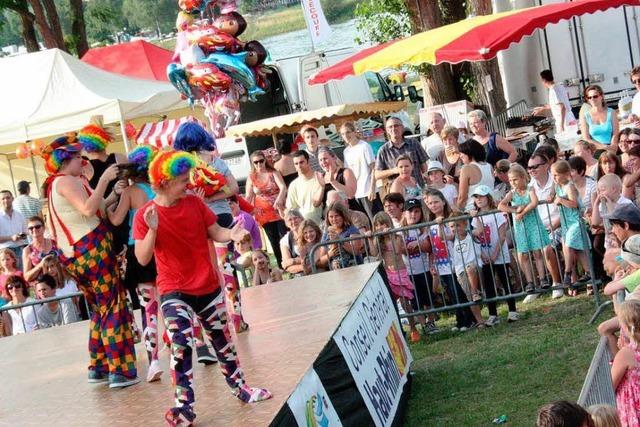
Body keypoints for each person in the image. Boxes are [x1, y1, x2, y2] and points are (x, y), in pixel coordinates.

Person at [133, 149, 272, 425]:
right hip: (174, 291)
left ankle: (241, 389)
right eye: (183, 180)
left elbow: (216, 232)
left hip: (207, 287)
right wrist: (152, 229)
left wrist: (231, 233)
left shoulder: (195, 205)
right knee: (181, 344)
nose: (189, 184)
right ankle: (183, 408)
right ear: (164, 183)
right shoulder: (145, 215)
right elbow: (142, 257)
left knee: (224, 344)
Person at [42, 135, 139, 388]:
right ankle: (120, 370)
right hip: (92, 250)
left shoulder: (62, 183)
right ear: (65, 160)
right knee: (113, 306)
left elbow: (92, 210)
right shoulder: (65, 181)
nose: (82, 160)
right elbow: (87, 210)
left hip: (76, 254)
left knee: (99, 309)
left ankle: (99, 366)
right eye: (77, 157)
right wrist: (105, 179)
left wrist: (112, 196)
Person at [106, 145, 163, 383]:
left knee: (148, 308)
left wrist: (110, 205)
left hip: (137, 248)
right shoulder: (158, 190)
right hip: (161, 247)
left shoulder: (130, 192)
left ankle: (154, 361)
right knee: (169, 302)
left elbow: (117, 219)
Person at [423, 188, 476, 331]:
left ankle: (469, 319)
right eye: (430, 203)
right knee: (451, 293)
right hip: (441, 263)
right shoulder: (429, 222)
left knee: (459, 290)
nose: (433, 205)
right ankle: (460, 320)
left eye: (436, 202)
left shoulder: (450, 218)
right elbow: (432, 245)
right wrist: (432, 263)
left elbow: (451, 237)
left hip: (454, 260)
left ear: (443, 202)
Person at [470, 185, 518, 324]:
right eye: (476, 197)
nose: (478, 199)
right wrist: (483, 256)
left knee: (505, 280)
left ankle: (512, 310)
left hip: (499, 254)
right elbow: (477, 234)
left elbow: (502, 236)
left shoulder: (498, 214)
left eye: (481, 196)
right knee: (489, 284)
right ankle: (492, 314)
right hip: (485, 256)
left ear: (488, 197)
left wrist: (495, 254)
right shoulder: (476, 217)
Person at [498, 164, 550, 293]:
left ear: (522, 177)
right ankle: (530, 282)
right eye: (510, 180)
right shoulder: (512, 193)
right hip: (521, 227)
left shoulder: (530, 189)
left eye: (515, 179)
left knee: (537, 252)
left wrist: (523, 212)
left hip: (533, 223)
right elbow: (501, 206)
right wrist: (515, 210)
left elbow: (534, 202)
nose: (513, 183)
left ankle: (542, 278)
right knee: (524, 254)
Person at [369, 211, 420, 342]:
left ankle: (413, 328)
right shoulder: (377, 240)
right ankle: (398, 333)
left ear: (389, 224)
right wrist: (369, 239)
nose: (380, 227)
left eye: (383, 224)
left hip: (399, 272)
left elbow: (398, 250)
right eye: (377, 225)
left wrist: (390, 234)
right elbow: (374, 253)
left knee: (405, 301)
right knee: (392, 304)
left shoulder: (396, 237)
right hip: (388, 273)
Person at [550, 160, 591, 292]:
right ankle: (589, 272)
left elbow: (574, 204)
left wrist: (561, 200)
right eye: (553, 175)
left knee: (567, 244)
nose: (554, 178)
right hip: (566, 222)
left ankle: (567, 273)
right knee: (579, 250)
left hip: (575, 221)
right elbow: (551, 197)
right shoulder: (558, 187)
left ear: (566, 174)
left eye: (556, 175)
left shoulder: (570, 186)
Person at [528, 151, 563, 298]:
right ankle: (536, 287)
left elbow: (567, 206)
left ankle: (557, 283)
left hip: (560, 224)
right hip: (539, 227)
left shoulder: (557, 182)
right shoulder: (529, 187)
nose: (532, 170)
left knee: (546, 248)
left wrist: (555, 224)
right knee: (522, 251)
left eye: (535, 166)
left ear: (546, 166)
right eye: (529, 168)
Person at [401, 198, 437, 334]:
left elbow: (429, 247)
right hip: (409, 272)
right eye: (410, 212)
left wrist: (418, 245)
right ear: (404, 213)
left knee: (428, 298)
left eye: (416, 211)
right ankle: (423, 324)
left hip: (424, 268)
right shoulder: (400, 232)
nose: (413, 215)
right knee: (416, 301)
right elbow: (401, 249)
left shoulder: (424, 229)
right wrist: (412, 246)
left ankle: (431, 322)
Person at [245, 150, 286, 265]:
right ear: (252, 163)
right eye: (256, 162)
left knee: (284, 235)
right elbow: (249, 196)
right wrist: (247, 212)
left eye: (261, 161)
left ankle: (289, 259)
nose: (259, 164)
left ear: (265, 160)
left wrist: (279, 199)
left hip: (278, 209)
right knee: (273, 239)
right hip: (263, 213)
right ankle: (280, 263)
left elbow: (283, 187)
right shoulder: (251, 177)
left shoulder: (273, 172)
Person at [375, 116, 428, 194]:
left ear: (402, 128)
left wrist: (427, 180)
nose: (393, 129)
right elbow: (377, 175)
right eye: (390, 127)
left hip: (417, 188)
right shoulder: (383, 150)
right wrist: (393, 170)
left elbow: (424, 166)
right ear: (387, 130)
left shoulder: (414, 143)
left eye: (396, 125)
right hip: (398, 192)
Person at [340, 121, 382, 220]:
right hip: (356, 193)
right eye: (343, 134)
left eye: (348, 132)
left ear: (354, 132)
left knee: (375, 220)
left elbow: (373, 168)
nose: (346, 135)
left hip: (368, 191)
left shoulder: (364, 146)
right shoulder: (346, 151)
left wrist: (372, 189)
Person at [449, 215, 485, 326]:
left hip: (474, 266)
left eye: (458, 225)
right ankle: (480, 321)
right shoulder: (453, 238)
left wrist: (476, 217)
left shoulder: (470, 234)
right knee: (470, 298)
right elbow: (442, 236)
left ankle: (475, 292)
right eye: (452, 226)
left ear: (465, 224)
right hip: (460, 271)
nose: (455, 228)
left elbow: (480, 231)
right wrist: (440, 224)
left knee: (470, 268)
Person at [612, 300, 640, 427]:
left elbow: (610, 385)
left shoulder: (626, 353)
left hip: (633, 407)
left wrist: (620, 353)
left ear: (625, 326)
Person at [320, 203, 363, 269]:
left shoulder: (352, 229)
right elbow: (321, 261)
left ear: (343, 216)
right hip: (336, 273)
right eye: (331, 217)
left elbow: (356, 251)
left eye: (337, 216)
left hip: (354, 268)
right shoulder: (326, 234)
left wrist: (339, 240)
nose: (334, 219)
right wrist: (330, 254)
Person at [286, 150, 323, 225]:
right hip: (304, 228)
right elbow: (291, 209)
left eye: (301, 162)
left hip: (321, 223)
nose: (299, 166)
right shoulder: (293, 185)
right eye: (296, 164)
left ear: (308, 162)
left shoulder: (320, 177)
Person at [533, 69, 576, 133]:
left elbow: (562, 107)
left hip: (564, 121)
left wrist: (561, 125)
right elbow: (560, 102)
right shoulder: (560, 86)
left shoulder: (553, 89)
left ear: (544, 80)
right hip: (569, 117)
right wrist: (542, 108)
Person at [456, 139, 494, 212]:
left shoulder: (466, 168)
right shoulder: (489, 166)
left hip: (473, 211)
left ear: (469, 153)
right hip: (491, 208)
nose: (460, 156)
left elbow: (462, 197)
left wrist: (457, 211)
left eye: (462, 153)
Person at [580, 84, 619, 152]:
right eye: (589, 97)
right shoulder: (585, 116)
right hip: (595, 150)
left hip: (612, 148)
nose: (592, 99)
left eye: (595, 96)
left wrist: (613, 146)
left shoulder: (611, 112)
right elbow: (586, 139)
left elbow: (615, 133)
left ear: (602, 96)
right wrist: (604, 147)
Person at [0, 190, 28, 270]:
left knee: (22, 275)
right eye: (3, 198)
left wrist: (23, 235)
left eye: (8, 198)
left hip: (20, 249)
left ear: (12, 199)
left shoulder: (20, 215)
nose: (6, 200)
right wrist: (11, 238)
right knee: (9, 278)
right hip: (5, 252)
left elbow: (26, 233)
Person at [280, 209, 305, 276]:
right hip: (299, 275)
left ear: (302, 219)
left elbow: (315, 257)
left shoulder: (310, 233)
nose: (293, 221)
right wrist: (304, 267)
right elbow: (287, 266)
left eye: (295, 218)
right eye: (290, 220)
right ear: (287, 224)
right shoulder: (284, 240)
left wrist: (292, 261)